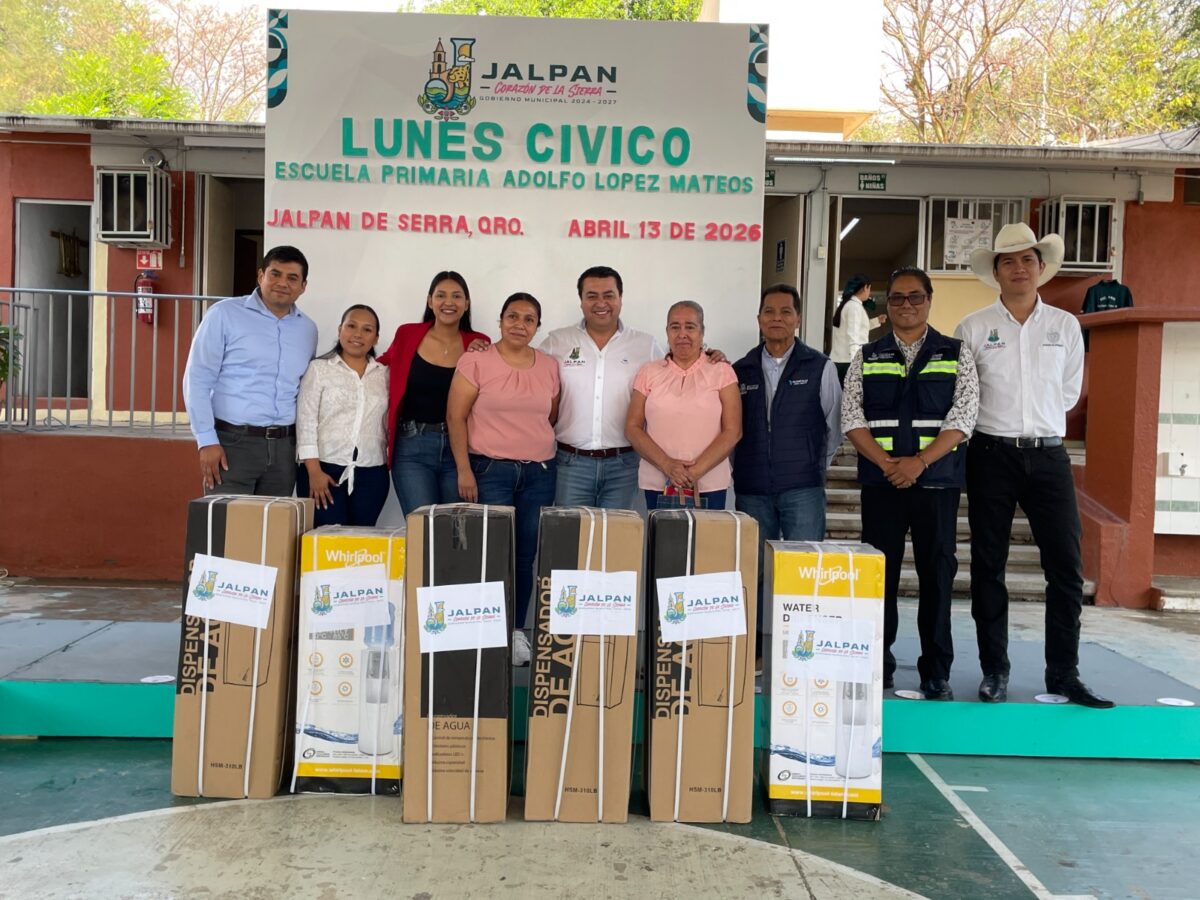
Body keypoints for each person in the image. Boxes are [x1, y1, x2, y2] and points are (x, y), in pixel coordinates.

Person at [956, 223, 1113, 709]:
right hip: (990, 454)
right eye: (1009, 261)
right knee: (988, 567)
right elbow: (966, 396)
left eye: (1027, 260)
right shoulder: (975, 327)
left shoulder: (1065, 327)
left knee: (1066, 568)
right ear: (996, 272)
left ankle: (1064, 672)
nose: (1019, 268)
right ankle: (994, 672)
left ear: (1041, 267)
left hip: (1048, 455)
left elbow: (1069, 394)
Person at [843, 267, 979, 700]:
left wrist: (920, 463)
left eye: (914, 297)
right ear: (886, 305)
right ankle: (875, 664)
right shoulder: (867, 356)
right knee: (877, 579)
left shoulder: (957, 353)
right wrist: (889, 464)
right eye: (897, 298)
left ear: (929, 300)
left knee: (937, 578)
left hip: (936, 485)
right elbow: (852, 417)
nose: (906, 305)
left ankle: (936, 671)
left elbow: (963, 417)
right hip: (882, 486)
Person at [447, 293, 560, 666]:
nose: (519, 324)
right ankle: (486, 631)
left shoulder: (548, 366)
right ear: (499, 320)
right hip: (490, 471)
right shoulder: (476, 360)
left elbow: (551, 417)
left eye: (529, 319)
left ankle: (514, 633)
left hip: (539, 472)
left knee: (525, 556)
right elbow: (456, 417)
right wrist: (464, 468)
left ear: (537, 327)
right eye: (512, 316)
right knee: (493, 555)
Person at [732, 283, 842, 661]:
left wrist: (813, 464)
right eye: (768, 312)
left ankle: (800, 648)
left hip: (803, 489)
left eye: (785, 312)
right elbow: (732, 430)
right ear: (759, 319)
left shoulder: (820, 366)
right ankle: (757, 652)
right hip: (752, 488)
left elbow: (834, 425)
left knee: (801, 570)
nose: (776, 318)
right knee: (753, 572)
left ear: (797, 318)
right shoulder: (739, 369)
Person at [183, 245, 318, 495]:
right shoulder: (224, 314)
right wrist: (206, 440)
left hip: (284, 450)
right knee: (227, 529)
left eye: (292, 278)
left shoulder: (307, 329)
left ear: (303, 286)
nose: (282, 283)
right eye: (274, 274)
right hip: (232, 445)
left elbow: (304, 391)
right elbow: (198, 379)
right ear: (260, 276)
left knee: (274, 530)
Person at [539, 266, 664, 509]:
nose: (601, 303)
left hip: (625, 466)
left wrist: (709, 355)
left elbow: (674, 375)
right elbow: (522, 364)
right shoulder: (557, 342)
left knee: (617, 542)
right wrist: (485, 350)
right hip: (570, 465)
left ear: (620, 298)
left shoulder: (645, 345)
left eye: (609, 295)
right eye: (592, 296)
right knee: (572, 542)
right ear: (581, 301)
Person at [378, 272, 491, 515]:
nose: (448, 302)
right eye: (441, 295)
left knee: (454, 534)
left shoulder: (479, 343)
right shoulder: (407, 334)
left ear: (467, 304)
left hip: (459, 449)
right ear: (430, 301)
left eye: (456, 296)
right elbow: (378, 367)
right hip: (411, 448)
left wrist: (474, 358)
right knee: (423, 529)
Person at [626, 301, 741, 510]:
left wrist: (693, 473)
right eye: (675, 327)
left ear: (702, 332)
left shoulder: (722, 372)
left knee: (706, 542)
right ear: (667, 331)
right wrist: (668, 466)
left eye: (690, 326)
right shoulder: (648, 372)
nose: (682, 334)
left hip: (709, 483)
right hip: (660, 483)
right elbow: (633, 428)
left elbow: (733, 431)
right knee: (664, 543)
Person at [295, 305, 389, 527]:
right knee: (327, 547)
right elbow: (306, 422)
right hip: (323, 471)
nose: (358, 334)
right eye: (351, 326)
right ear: (340, 330)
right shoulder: (319, 369)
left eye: (367, 330)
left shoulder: (384, 374)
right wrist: (314, 472)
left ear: (376, 338)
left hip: (372, 473)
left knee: (361, 548)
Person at [830, 274, 873, 384]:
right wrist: (856, 363)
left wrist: (877, 321)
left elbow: (857, 328)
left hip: (841, 360)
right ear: (865, 288)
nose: (869, 292)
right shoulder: (854, 307)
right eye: (869, 289)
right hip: (848, 361)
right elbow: (853, 335)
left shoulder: (849, 305)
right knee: (850, 398)